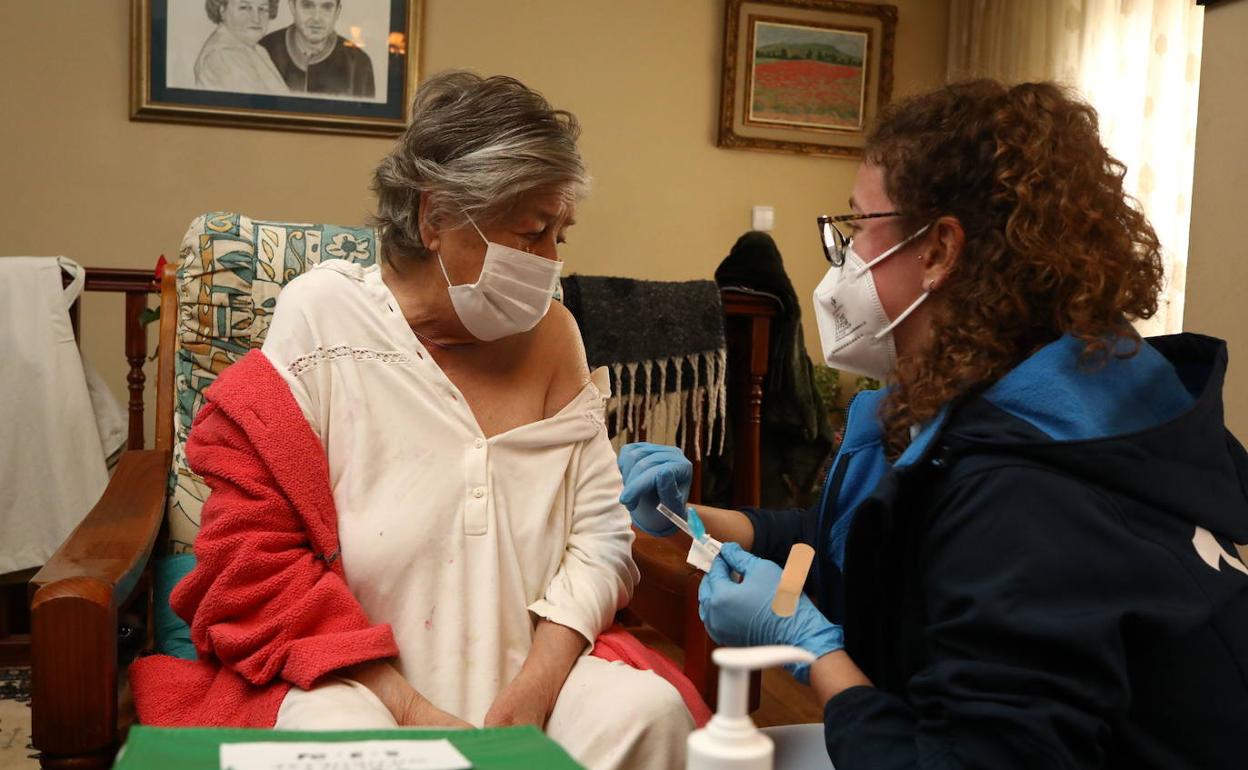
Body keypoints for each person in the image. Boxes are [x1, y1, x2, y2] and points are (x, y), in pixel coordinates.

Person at [620, 79, 1248, 769]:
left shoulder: (1026, 491)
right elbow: (860, 542)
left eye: (857, 227)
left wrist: (819, 657)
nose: (845, 260)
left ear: (942, 250)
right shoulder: (1042, 392)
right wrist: (701, 521)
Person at [130, 72, 695, 770]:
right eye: (532, 232)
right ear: (435, 219)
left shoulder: (556, 336)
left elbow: (601, 536)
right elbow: (254, 553)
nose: (551, 263)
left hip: (532, 675)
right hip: (356, 680)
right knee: (340, 744)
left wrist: (535, 690)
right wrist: (409, 710)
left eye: (561, 234)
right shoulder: (323, 319)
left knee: (650, 714)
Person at [260, 0, 375, 98]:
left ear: (337, 12)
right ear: (292, 7)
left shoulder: (359, 64)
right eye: (307, 5)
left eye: (326, 7)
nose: (316, 18)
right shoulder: (262, 51)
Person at [194, 0, 289, 95]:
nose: (256, 19)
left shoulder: (258, 50)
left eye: (262, 9)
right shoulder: (223, 55)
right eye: (244, 8)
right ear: (222, 10)